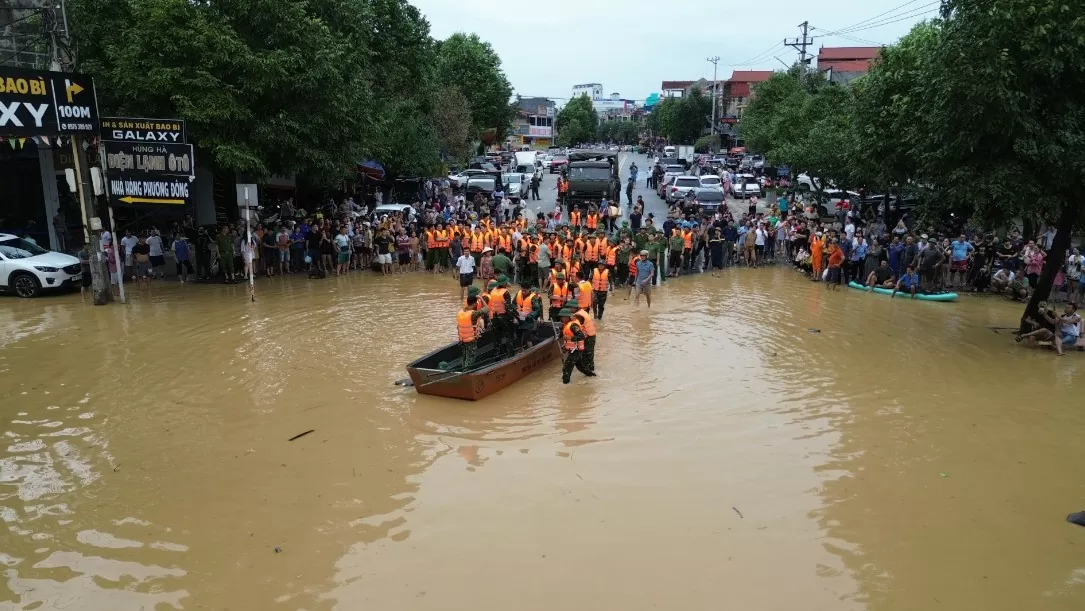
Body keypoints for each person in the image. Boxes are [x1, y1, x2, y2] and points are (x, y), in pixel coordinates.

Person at [1017, 303, 1081, 356]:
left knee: (1056, 343)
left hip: (1071, 336)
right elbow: (1053, 322)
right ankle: (1024, 335)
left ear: (1073, 310)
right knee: (1045, 330)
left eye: (1068, 308)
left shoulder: (1077, 317)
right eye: (1066, 307)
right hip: (1060, 335)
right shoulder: (1063, 316)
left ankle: (1058, 350)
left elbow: (1068, 321)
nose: (1066, 309)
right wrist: (1045, 314)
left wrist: (1058, 316)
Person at [558, 307, 593, 384]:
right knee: (581, 367)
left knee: (567, 367)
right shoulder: (565, 325)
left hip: (576, 350)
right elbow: (564, 334)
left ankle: (565, 383)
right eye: (561, 317)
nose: (562, 319)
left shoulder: (573, 326)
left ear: (568, 317)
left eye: (564, 317)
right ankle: (592, 376)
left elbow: (581, 336)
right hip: (572, 349)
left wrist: (571, 338)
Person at [488, 275, 516, 357]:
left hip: (494, 317)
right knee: (509, 335)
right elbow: (508, 308)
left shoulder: (493, 291)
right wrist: (513, 318)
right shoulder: (505, 292)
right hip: (503, 317)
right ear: (504, 283)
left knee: (497, 337)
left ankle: (496, 356)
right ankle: (510, 355)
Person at [457, 296, 488, 369]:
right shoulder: (473, 314)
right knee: (471, 357)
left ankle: (463, 369)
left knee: (465, 356)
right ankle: (466, 373)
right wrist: (481, 299)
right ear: (474, 304)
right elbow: (486, 309)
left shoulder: (460, 312)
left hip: (462, 339)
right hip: (470, 340)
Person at [514, 280, 543, 349]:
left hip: (528, 321)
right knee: (518, 337)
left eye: (525, 291)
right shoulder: (518, 294)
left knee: (526, 339)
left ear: (529, 289)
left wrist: (530, 316)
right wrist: (515, 313)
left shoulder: (534, 298)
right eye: (522, 290)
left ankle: (529, 350)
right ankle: (521, 349)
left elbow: (537, 309)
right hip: (519, 320)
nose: (523, 292)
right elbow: (513, 304)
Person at [573, 307, 598, 375]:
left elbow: (577, 328)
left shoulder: (579, 315)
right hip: (591, 335)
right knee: (589, 355)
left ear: (574, 307)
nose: (570, 310)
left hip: (588, 337)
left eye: (570, 308)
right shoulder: (582, 311)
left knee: (586, 355)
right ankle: (591, 370)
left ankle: (589, 373)